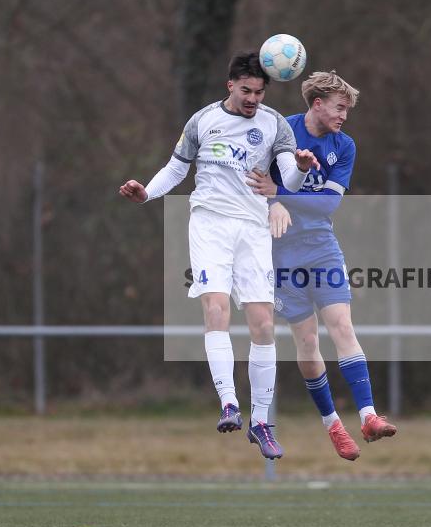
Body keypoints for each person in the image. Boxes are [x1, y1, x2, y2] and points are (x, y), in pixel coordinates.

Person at [119, 52, 318, 460]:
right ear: (230, 85)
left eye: (259, 92)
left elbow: (289, 180)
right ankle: (229, 403)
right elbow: (177, 169)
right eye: (246, 91)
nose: (253, 99)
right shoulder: (202, 121)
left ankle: (260, 423)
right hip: (209, 224)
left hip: (253, 228)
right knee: (216, 309)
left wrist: (299, 167)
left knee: (263, 323)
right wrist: (147, 194)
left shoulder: (275, 125)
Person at [246, 71, 396, 461]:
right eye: (340, 108)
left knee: (343, 326)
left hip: (321, 248)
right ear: (317, 104)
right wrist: (271, 202)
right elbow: (252, 182)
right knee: (308, 342)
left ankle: (368, 416)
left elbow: (327, 204)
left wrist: (279, 193)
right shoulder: (280, 130)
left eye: (347, 110)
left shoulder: (344, 146)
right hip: (279, 254)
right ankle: (333, 425)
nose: (344, 116)